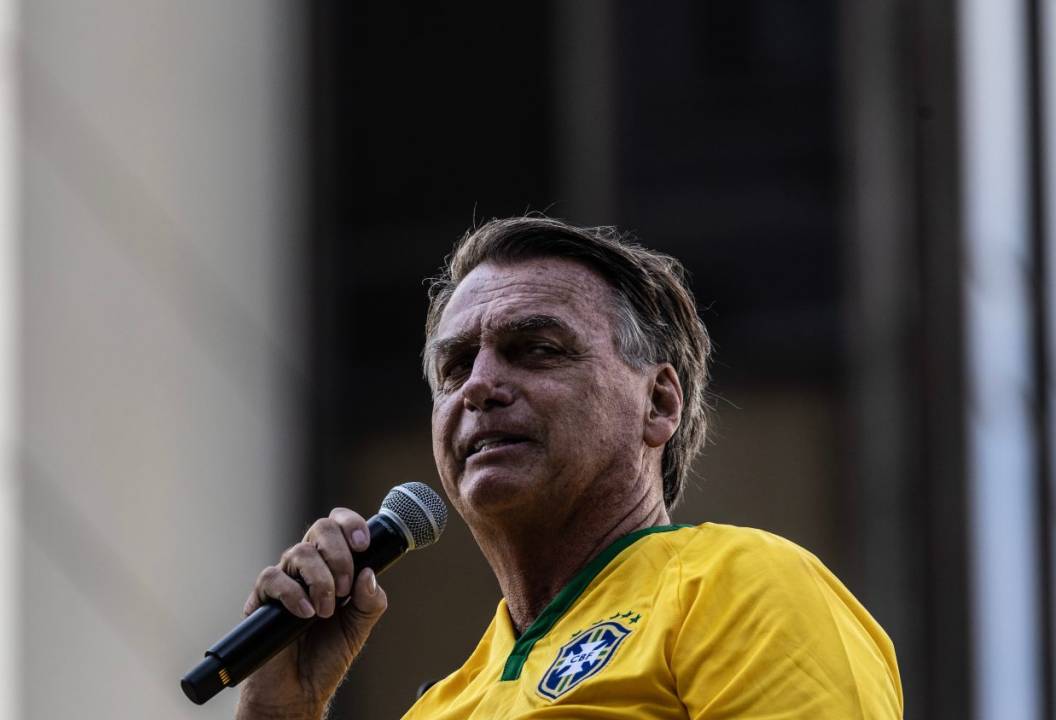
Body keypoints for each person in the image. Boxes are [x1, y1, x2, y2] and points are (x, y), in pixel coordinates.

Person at [235, 216, 903, 718]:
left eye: (537, 349)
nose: (480, 386)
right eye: (456, 365)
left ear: (658, 402)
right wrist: (279, 712)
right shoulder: (444, 706)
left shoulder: (738, 585)